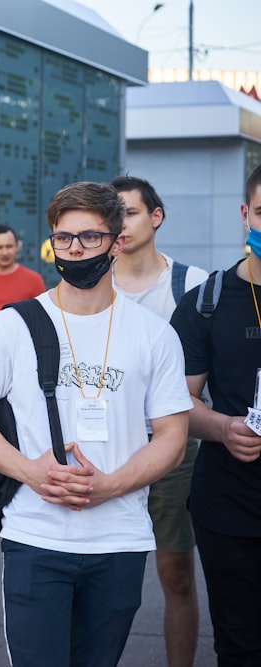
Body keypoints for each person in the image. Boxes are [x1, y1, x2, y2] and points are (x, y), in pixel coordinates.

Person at [0, 180, 191, 666]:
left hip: (120, 538)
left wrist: (112, 484)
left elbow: (173, 435)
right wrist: (29, 470)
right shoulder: (12, 325)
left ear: (117, 242)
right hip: (36, 538)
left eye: (90, 237)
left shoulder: (155, 335)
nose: (75, 248)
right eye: (64, 238)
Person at [110, 174, 208, 667]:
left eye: (128, 211)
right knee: (103, 574)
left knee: (175, 573)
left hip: (172, 445)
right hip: (104, 446)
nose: (119, 223)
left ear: (156, 216)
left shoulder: (193, 285)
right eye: (113, 214)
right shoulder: (89, 282)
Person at [169, 163, 261, 665]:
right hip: (231, 504)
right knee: (240, 642)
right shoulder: (205, 302)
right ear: (245, 214)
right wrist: (224, 428)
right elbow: (178, 403)